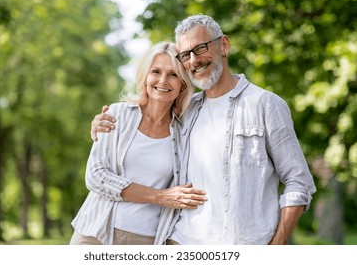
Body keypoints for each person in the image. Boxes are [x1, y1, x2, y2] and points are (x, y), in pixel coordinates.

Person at [90, 14, 317, 245]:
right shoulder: (185, 112)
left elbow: (298, 182)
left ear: (224, 46)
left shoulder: (264, 104)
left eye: (200, 48)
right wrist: (103, 124)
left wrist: (277, 245)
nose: (194, 61)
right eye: (185, 55)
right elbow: (147, 126)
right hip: (178, 243)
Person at [70, 41, 207, 245]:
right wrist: (160, 196)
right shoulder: (117, 115)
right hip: (95, 232)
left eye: (173, 74)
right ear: (145, 76)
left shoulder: (186, 129)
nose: (163, 81)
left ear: (183, 84)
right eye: (156, 71)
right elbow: (95, 176)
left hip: (147, 239)